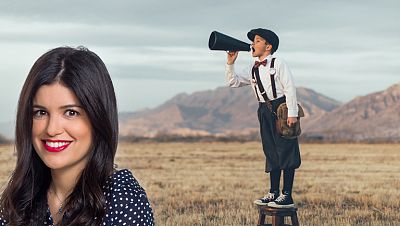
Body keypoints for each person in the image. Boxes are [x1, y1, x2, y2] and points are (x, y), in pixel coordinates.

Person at [0, 47, 155, 225]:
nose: (51, 129)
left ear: (98, 118)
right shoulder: (19, 199)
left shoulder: (123, 201)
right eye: (41, 112)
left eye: (71, 113)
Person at [225, 28, 301, 208]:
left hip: (281, 108)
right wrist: (230, 63)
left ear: (268, 46)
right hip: (264, 110)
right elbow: (233, 82)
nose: (253, 44)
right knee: (271, 151)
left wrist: (292, 114)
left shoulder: (278, 63)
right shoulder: (252, 68)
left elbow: (290, 88)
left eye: (257, 41)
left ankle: (287, 195)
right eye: (253, 41)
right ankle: (273, 192)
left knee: (286, 150)